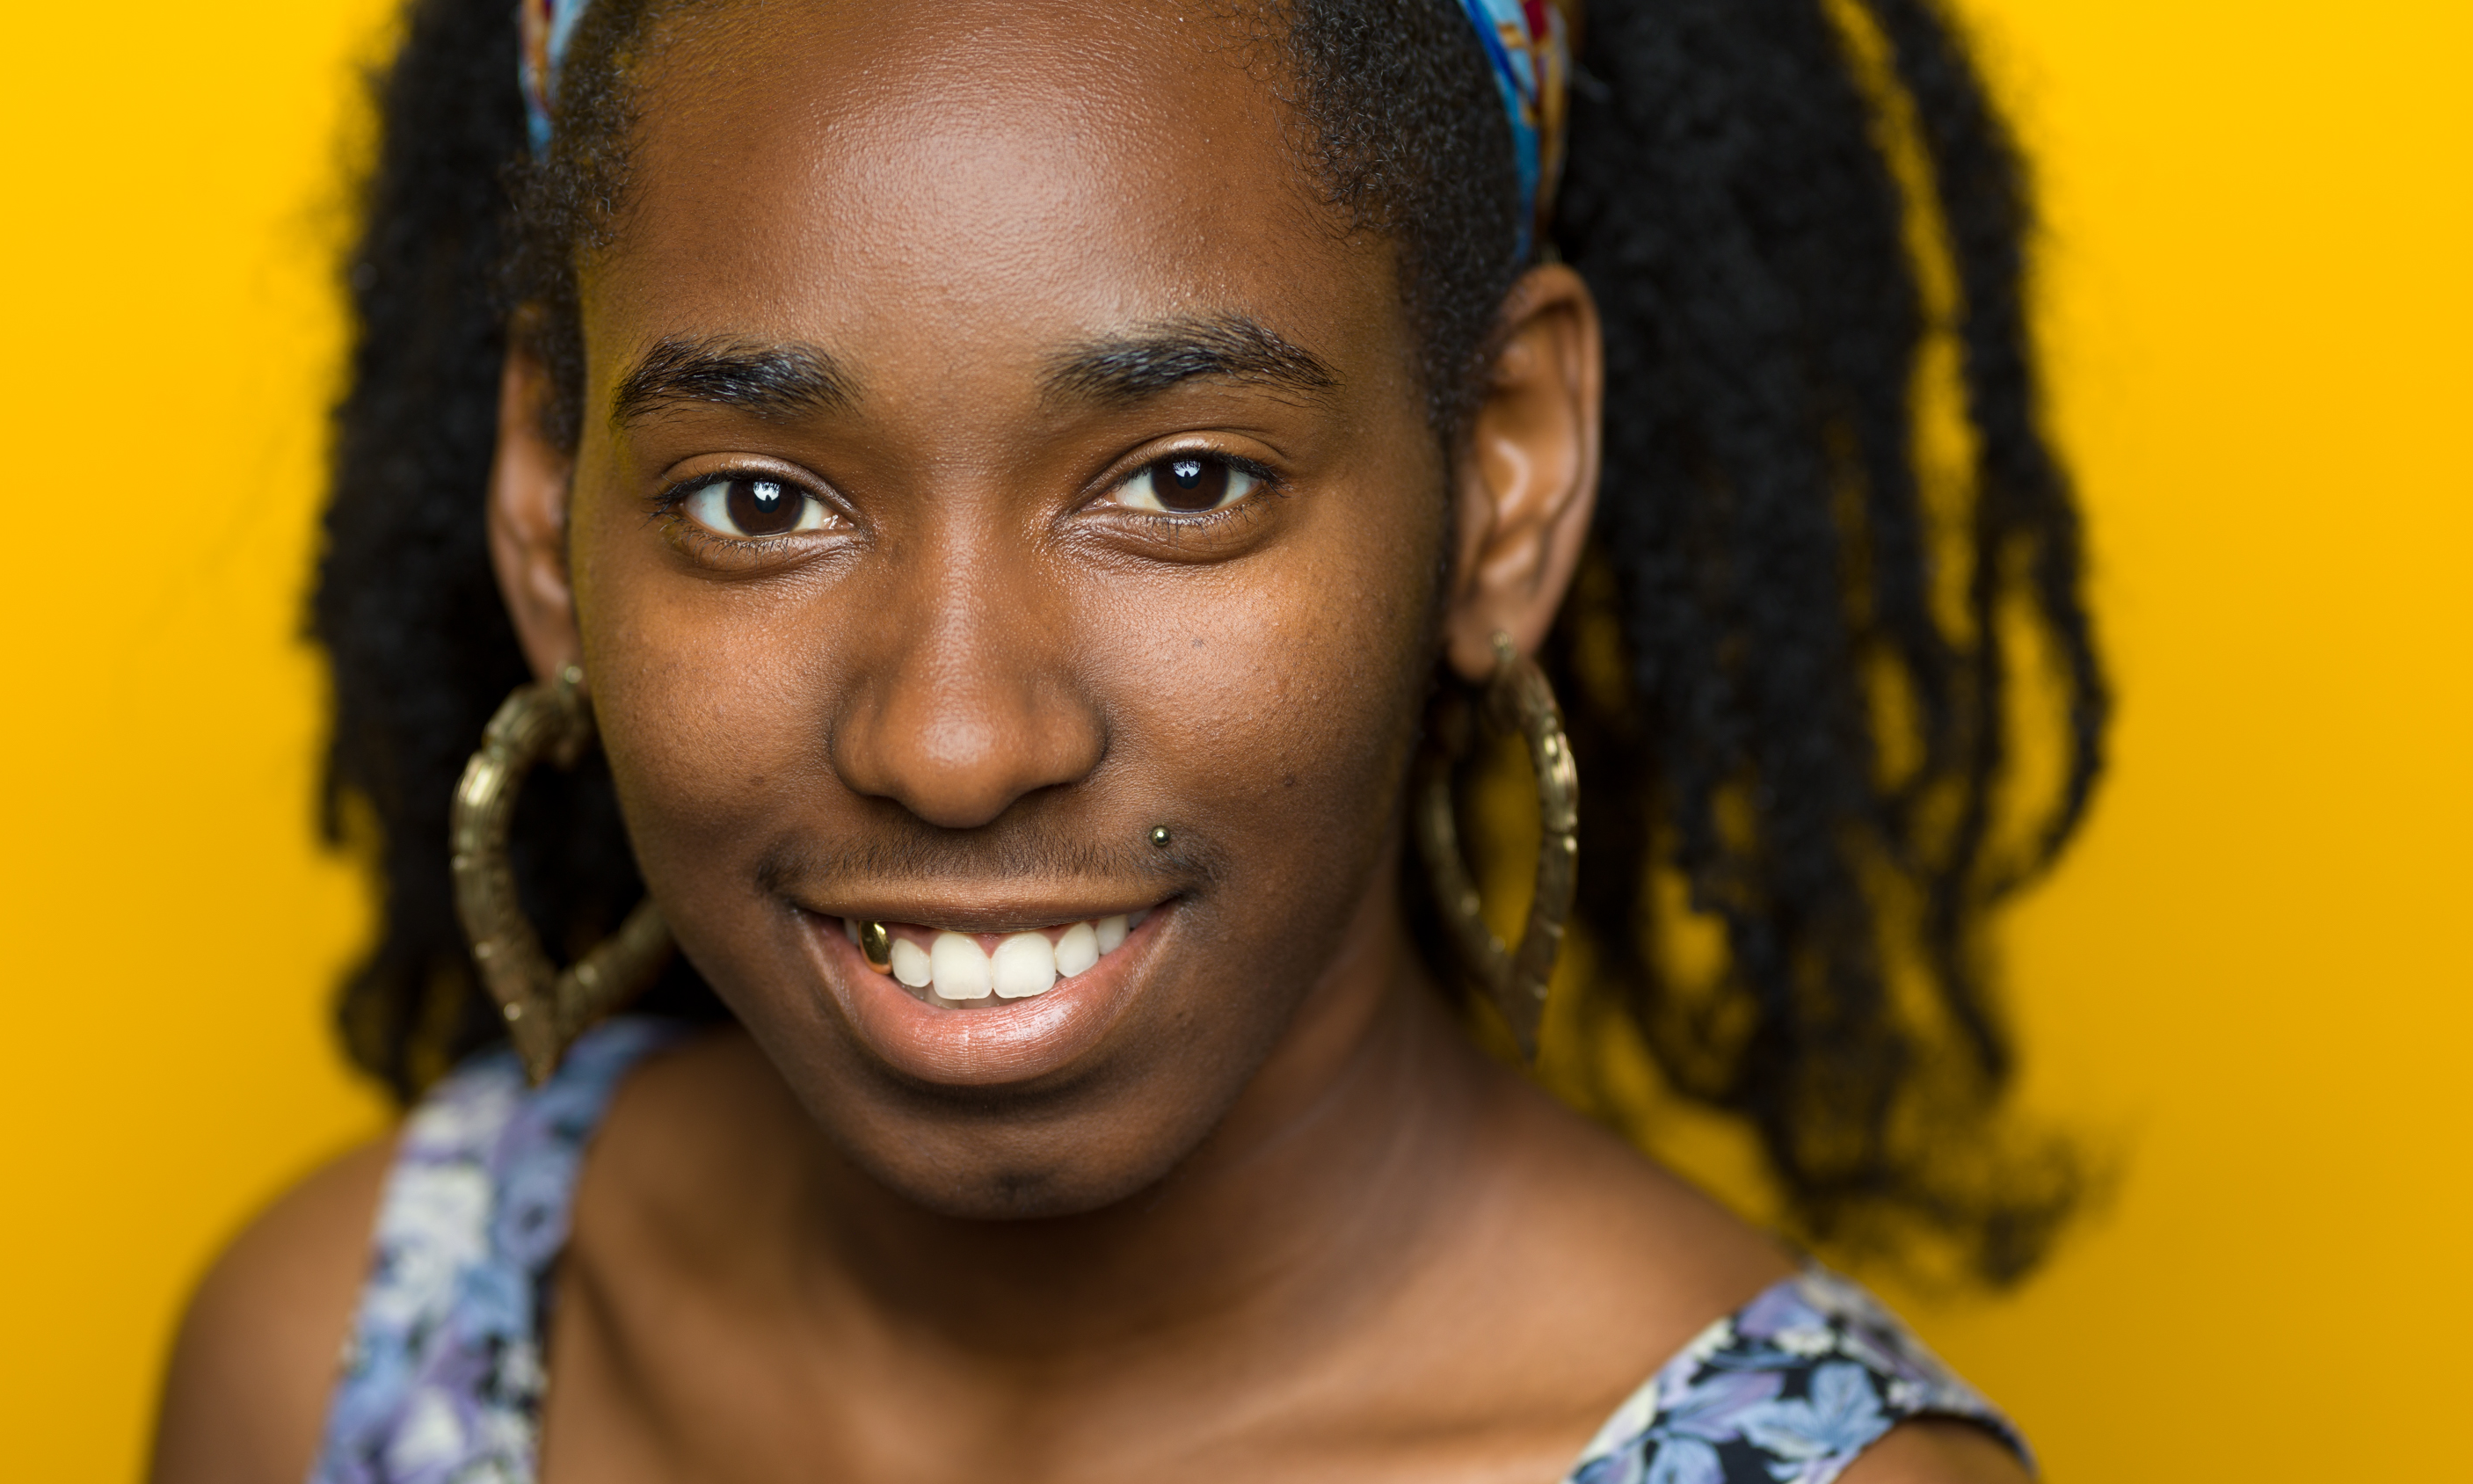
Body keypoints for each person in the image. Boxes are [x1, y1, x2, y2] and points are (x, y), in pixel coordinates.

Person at [150, 0, 2106, 1479]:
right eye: (758, 501)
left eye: (1183, 480)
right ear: (545, 513)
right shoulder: (341, 1358)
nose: (955, 738)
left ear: (1503, 480)